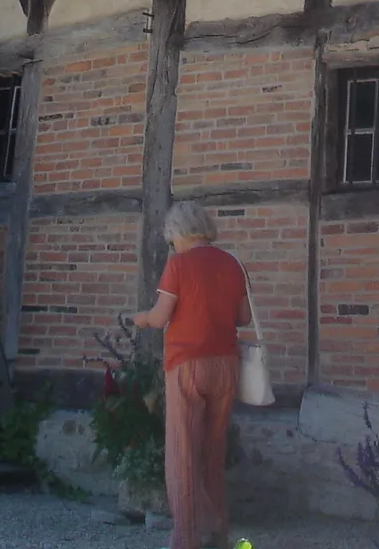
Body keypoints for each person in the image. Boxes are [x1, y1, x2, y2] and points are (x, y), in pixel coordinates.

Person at [130, 201, 251, 549]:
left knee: (183, 451)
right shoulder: (232, 264)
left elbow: (160, 315)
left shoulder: (178, 265)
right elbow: (242, 317)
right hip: (226, 364)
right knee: (213, 449)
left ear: (179, 233)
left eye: (172, 238)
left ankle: (185, 539)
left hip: (186, 364)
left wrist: (143, 318)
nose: (172, 244)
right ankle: (218, 531)